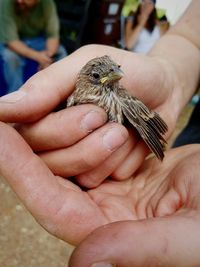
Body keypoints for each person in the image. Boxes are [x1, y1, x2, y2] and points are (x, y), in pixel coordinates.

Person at [0, 0, 199, 265]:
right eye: (99, 76)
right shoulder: (73, 98)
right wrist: (170, 76)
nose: (114, 76)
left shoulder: (122, 97)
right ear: (87, 80)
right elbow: (192, 39)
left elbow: (155, 130)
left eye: (114, 71)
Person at [0, 0, 67, 93]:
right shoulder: (7, 2)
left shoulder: (47, 4)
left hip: (34, 40)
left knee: (60, 52)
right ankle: (15, 95)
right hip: (10, 41)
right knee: (10, 57)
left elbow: (52, 36)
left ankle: (58, 93)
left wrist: (48, 56)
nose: (19, 1)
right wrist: (39, 57)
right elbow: (11, 42)